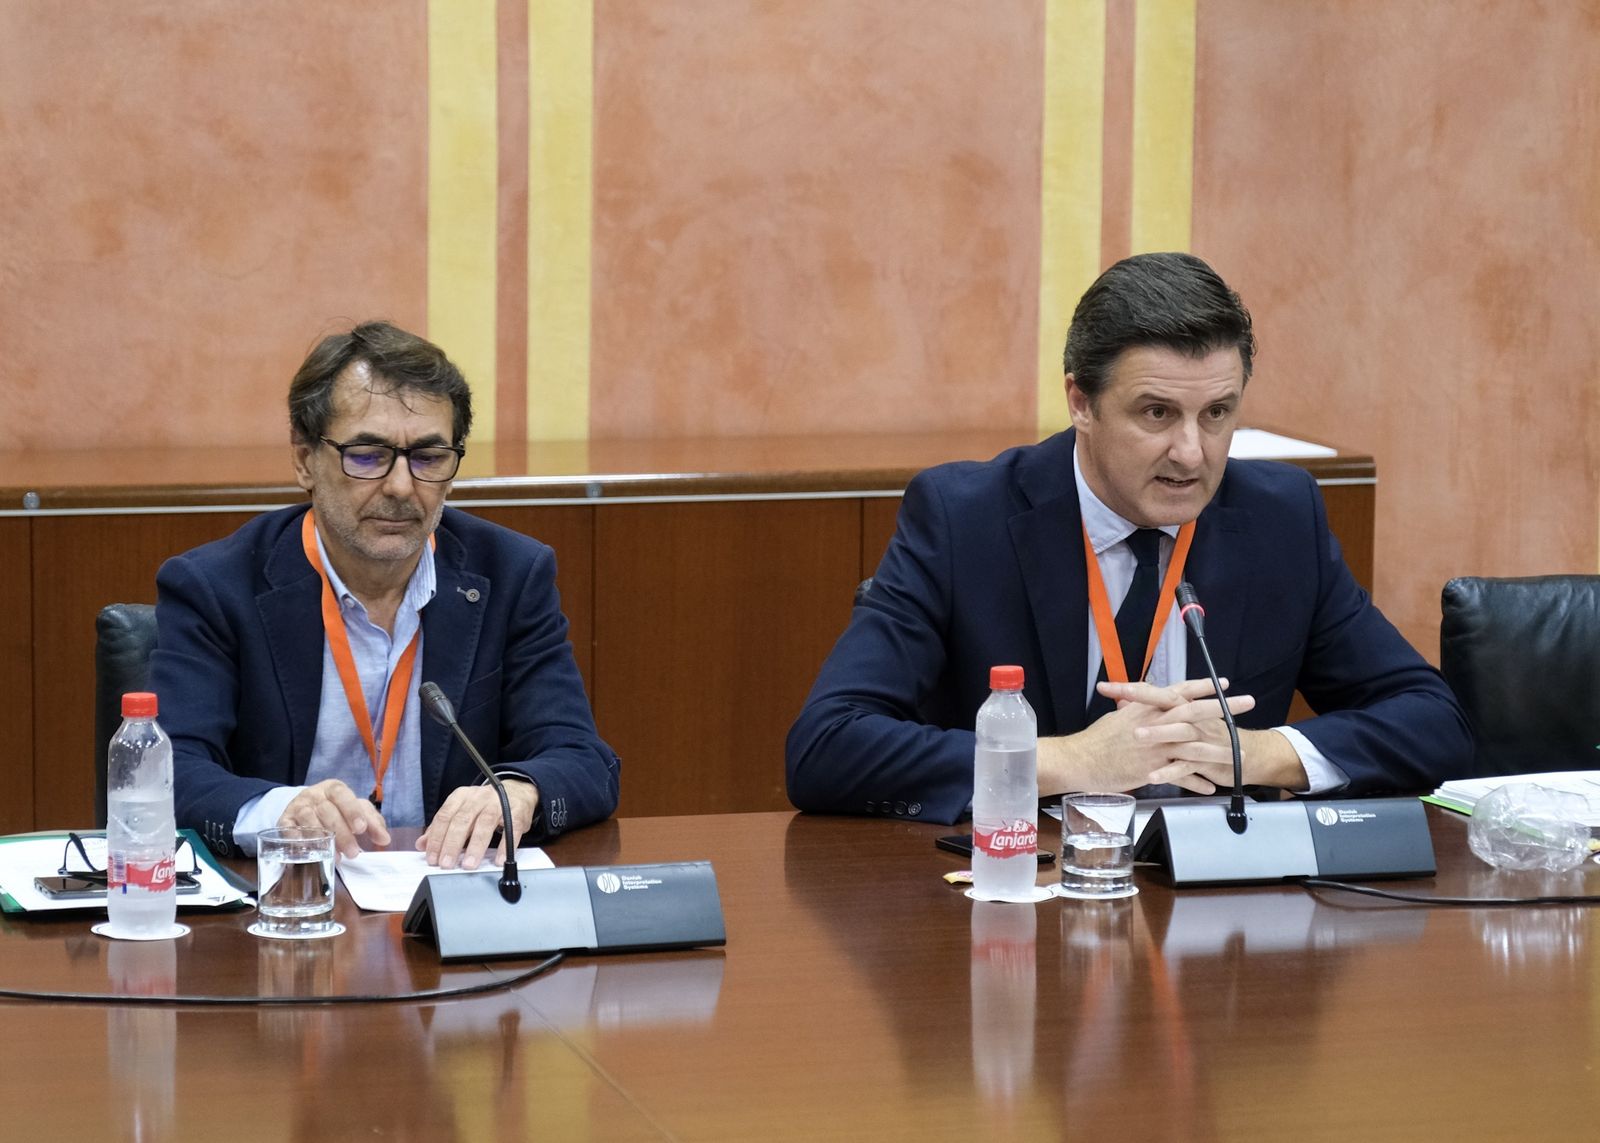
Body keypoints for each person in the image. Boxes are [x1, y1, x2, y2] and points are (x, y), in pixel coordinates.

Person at [786, 252, 1470, 823]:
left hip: (1223, 930)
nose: (1191, 453)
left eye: (1217, 414)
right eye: (1156, 412)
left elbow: (1433, 722)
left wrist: (1254, 753)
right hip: (1023, 903)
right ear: (1081, 402)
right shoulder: (966, 518)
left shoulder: (1281, 519)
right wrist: (1070, 761)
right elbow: (826, 747)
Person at [151, 321, 619, 865]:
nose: (401, 486)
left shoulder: (511, 576)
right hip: (283, 907)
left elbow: (583, 758)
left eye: (428, 457)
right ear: (305, 460)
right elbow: (169, 770)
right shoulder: (216, 587)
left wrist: (521, 792)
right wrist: (280, 810)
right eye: (368, 455)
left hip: (447, 902)